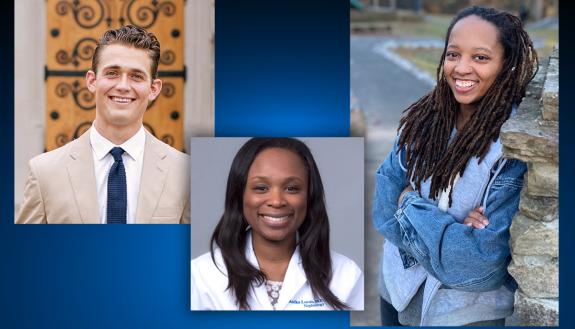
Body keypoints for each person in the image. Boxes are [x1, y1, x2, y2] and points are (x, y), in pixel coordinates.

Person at [372, 7, 537, 326]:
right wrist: (453, 230)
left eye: (481, 57)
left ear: (506, 65)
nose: (462, 68)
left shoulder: (511, 147)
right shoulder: (422, 121)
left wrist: (407, 204)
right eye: (453, 54)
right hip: (396, 293)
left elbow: (478, 268)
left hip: (465, 314)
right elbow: (381, 211)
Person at [16, 25, 190, 224]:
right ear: (92, 81)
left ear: (153, 88)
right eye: (112, 73)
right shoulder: (44, 173)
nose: (123, 86)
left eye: (136, 76)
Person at [191, 138, 364, 310]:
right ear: (239, 194)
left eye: (291, 188)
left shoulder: (346, 276)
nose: (276, 201)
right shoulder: (200, 276)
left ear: (310, 197)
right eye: (261, 188)